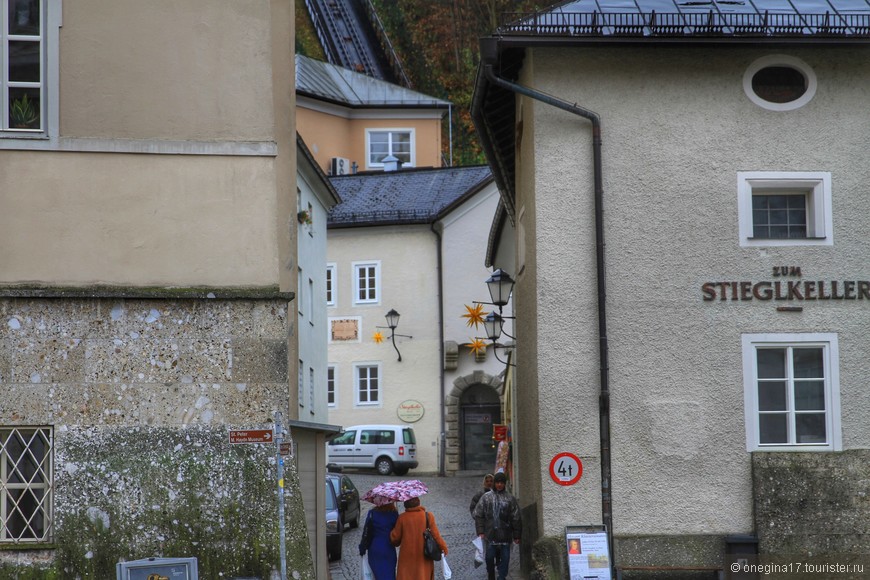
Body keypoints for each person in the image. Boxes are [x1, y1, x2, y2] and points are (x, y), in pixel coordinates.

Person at [473, 471, 521, 580]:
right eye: (497, 482)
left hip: (505, 535)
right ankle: (491, 574)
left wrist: (517, 535)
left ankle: (501, 577)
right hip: (490, 535)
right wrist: (480, 531)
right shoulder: (486, 497)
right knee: (489, 558)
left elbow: (516, 517)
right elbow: (478, 514)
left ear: (504, 484)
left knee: (505, 559)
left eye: (501, 483)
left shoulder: (510, 499)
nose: (499, 485)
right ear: (494, 483)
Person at [390, 497, 448, 580]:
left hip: (407, 558)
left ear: (405, 504)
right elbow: (436, 535)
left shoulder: (402, 518)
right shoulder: (428, 516)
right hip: (424, 556)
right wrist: (444, 548)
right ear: (418, 502)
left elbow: (394, 539)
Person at [359, 503, 399, 580]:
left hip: (374, 547)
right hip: (388, 548)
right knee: (389, 573)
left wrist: (362, 547)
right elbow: (396, 533)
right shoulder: (393, 514)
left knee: (377, 574)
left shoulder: (372, 513)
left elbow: (366, 530)